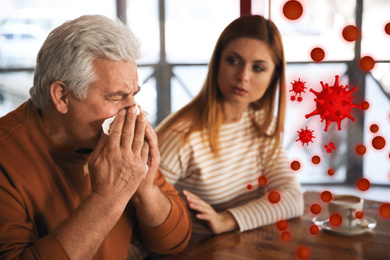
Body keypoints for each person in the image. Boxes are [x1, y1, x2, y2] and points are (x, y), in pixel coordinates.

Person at [0, 15, 191, 259]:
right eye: (116, 97)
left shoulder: (120, 144)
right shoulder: (6, 158)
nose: (133, 110)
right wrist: (108, 197)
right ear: (62, 96)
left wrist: (145, 187)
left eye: (134, 94)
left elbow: (174, 243)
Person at [155, 15, 304, 240]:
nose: (243, 76)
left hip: (236, 248)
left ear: (273, 76)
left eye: (258, 68)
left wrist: (226, 220)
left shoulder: (262, 125)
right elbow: (139, 218)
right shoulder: (181, 135)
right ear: (217, 63)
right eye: (233, 61)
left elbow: (292, 198)